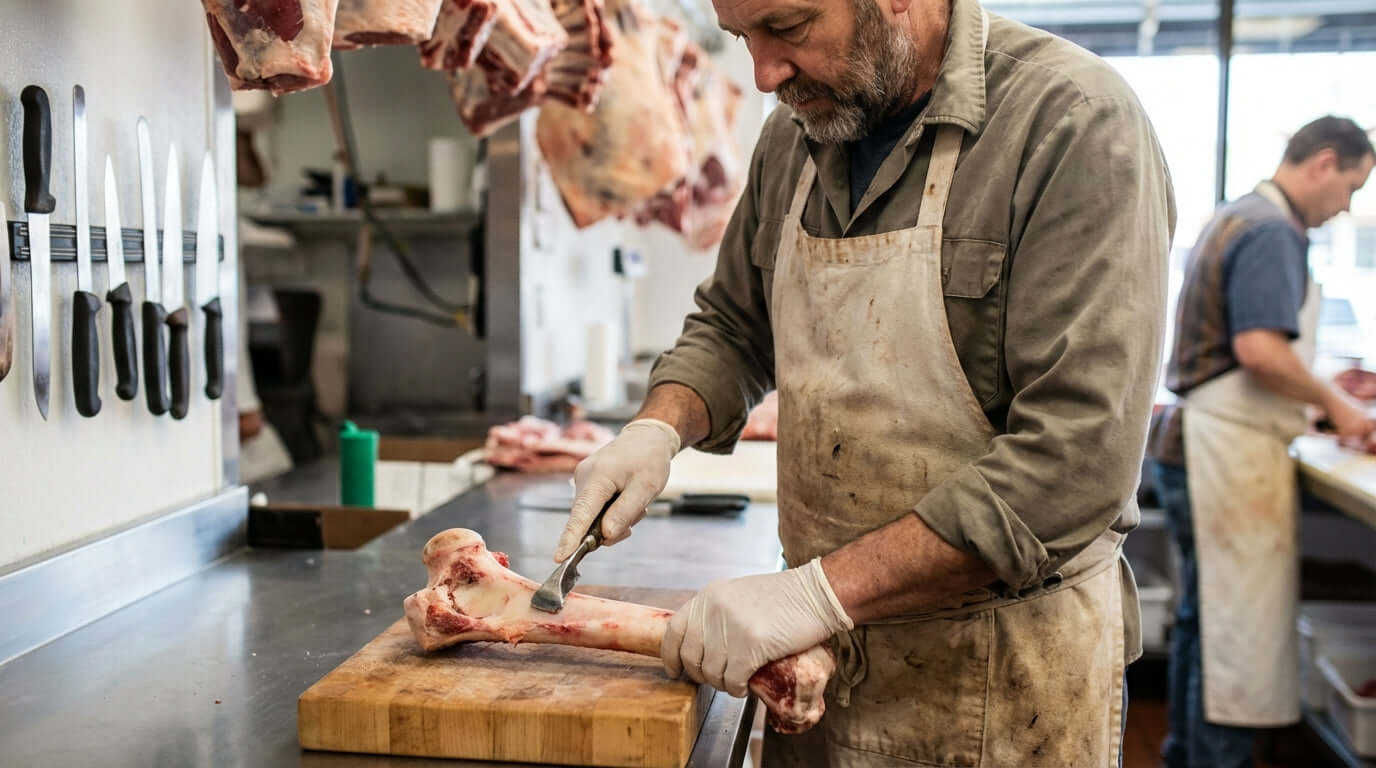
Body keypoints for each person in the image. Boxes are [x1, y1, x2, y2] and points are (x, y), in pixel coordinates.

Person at [556, 0, 1175, 762]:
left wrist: (817, 593)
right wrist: (657, 428)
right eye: (743, 38)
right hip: (809, 672)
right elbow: (733, 325)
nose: (762, 75)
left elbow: (1076, 464)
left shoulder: (1072, 123)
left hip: (999, 689)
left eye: (786, 29)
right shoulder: (797, 134)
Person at [1146, 116, 1375, 768]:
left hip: (1195, 439)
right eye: (1352, 188)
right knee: (1238, 639)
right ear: (1325, 163)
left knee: (1204, 624)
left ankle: (1186, 757)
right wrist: (1341, 407)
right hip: (1224, 451)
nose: (1347, 207)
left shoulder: (1236, 214)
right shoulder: (1274, 230)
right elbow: (1259, 350)